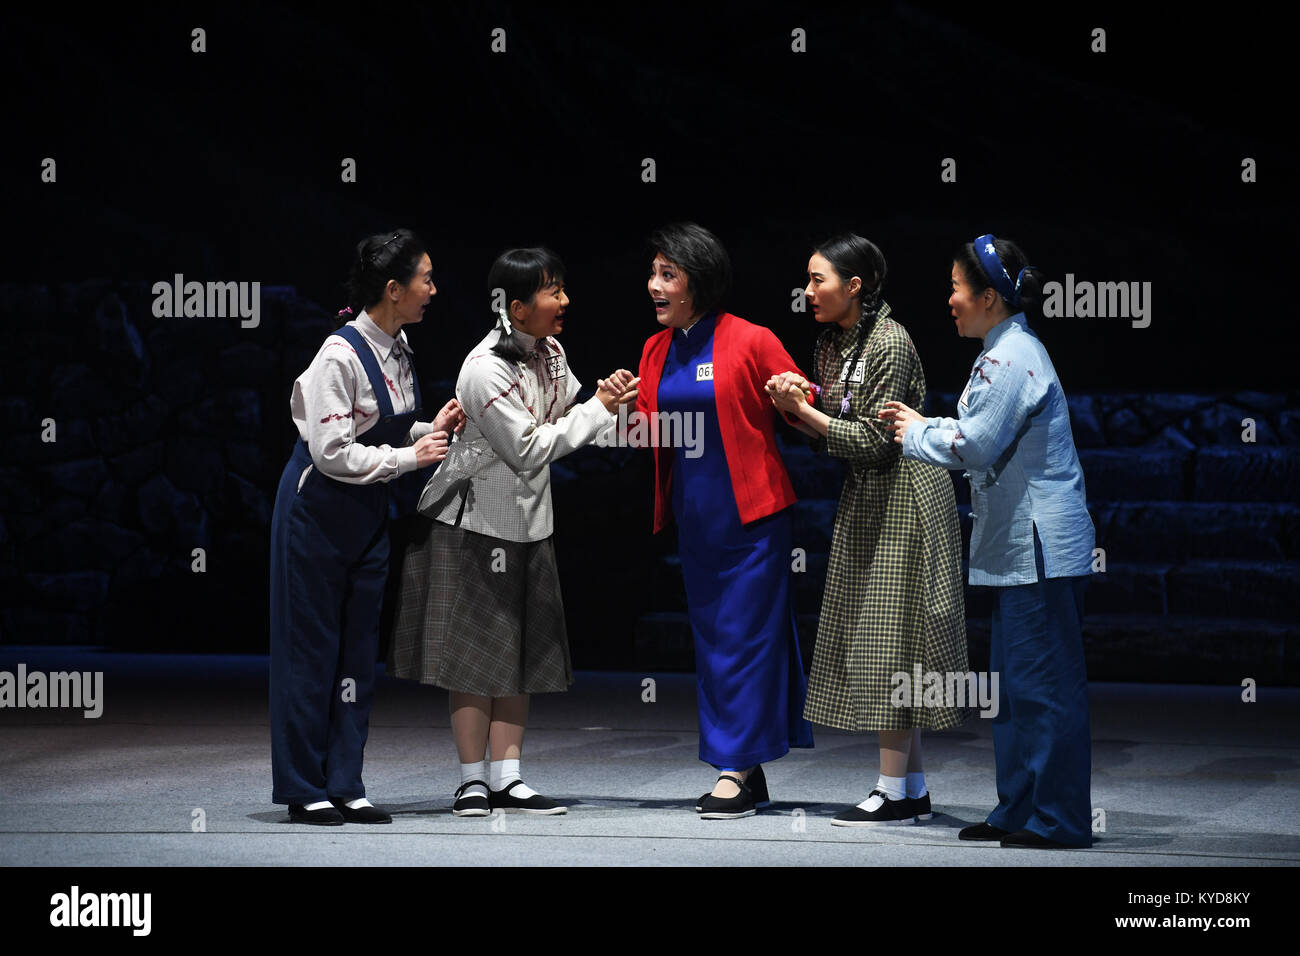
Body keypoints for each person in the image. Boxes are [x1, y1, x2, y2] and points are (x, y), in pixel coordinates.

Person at [388, 247, 637, 816]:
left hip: (528, 522)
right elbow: (527, 448)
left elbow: (569, 419)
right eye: (553, 291)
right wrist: (598, 409)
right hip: (474, 522)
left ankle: (508, 777)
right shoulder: (484, 369)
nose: (565, 300)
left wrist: (612, 403)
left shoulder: (551, 352)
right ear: (517, 308)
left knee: (519, 650)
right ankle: (471, 781)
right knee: (475, 655)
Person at [881, 234, 1095, 849]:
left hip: (1038, 547)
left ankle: (1058, 820)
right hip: (1019, 547)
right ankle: (1018, 809)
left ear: (989, 298)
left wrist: (914, 435)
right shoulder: (1003, 351)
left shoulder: (1013, 357)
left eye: (956, 287)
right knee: (1014, 689)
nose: (949, 299)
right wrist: (927, 425)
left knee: (1043, 688)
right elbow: (979, 430)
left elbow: (976, 445)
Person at [765, 234, 968, 826]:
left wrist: (803, 412)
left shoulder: (890, 341)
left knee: (891, 642)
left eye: (818, 280)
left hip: (907, 496)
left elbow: (876, 442)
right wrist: (794, 402)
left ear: (854, 286)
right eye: (807, 279)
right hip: (868, 496)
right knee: (885, 637)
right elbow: (835, 424)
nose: (808, 291)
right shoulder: (832, 343)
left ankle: (890, 790)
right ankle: (912, 788)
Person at [269, 229, 464, 826]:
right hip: (318, 512)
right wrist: (410, 458)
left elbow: (382, 427)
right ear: (393, 288)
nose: (433, 289)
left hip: (368, 513)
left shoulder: (399, 346)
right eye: (426, 279)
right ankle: (304, 785)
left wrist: (429, 429)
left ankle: (345, 782)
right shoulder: (340, 355)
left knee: (357, 653)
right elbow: (331, 451)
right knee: (311, 652)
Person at [631, 221, 814, 820]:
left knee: (744, 640)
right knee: (715, 644)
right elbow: (649, 433)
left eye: (668, 275)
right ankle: (748, 765)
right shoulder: (655, 349)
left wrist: (796, 392)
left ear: (698, 280)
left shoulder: (752, 338)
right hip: (696, 520)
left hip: (753, 520)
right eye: (653, 273)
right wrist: (617, 408)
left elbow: (802, 404)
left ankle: (732, 768)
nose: (654, 285)